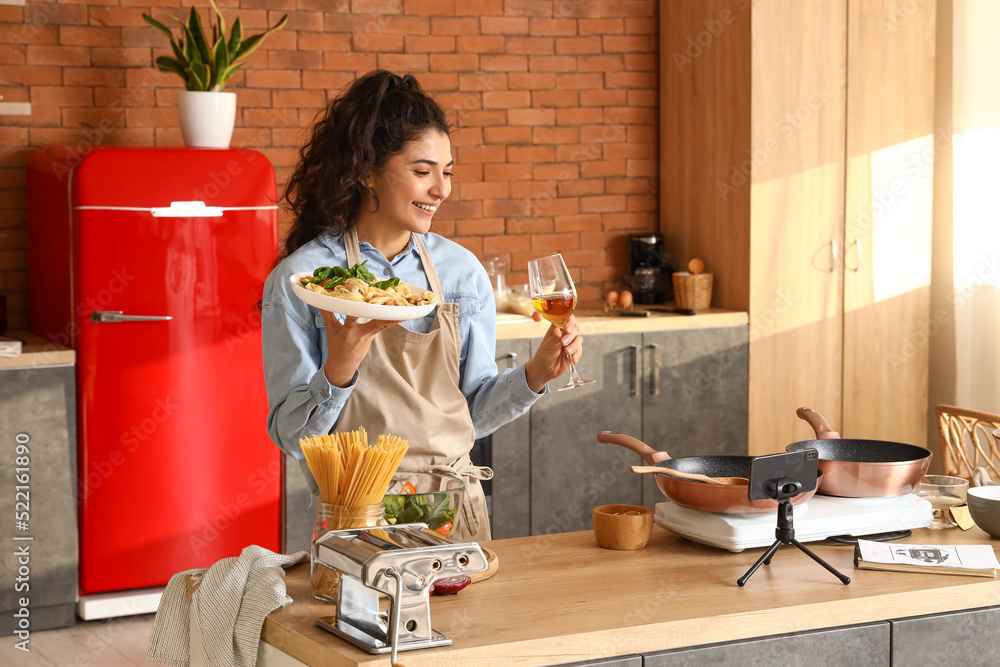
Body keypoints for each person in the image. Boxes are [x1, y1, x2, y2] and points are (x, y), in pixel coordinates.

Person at [261, 70, 585, 542]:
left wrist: (536, 373)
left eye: (447, 172)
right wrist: (338, 372)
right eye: (422, 171)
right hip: (356, 514)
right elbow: (293, 439)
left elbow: (470, 411)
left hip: (453, 510)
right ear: (365, 170)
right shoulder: (305, 281)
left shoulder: (460, 272)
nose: (442, 189)